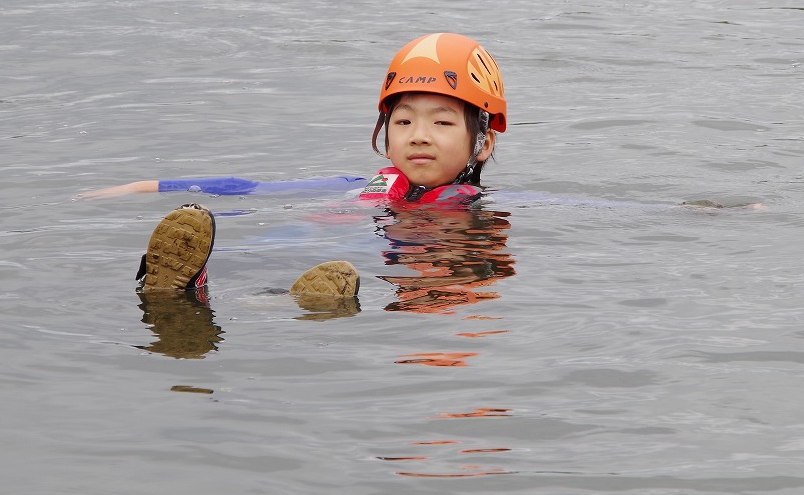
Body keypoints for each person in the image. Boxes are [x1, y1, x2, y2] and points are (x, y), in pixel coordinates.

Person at [81, 33, 509, 301]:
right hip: (298, 245)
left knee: (335, 274)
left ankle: (291, 298)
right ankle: (182, 280)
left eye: (441, 121)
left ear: (483, 143)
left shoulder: (473, 210)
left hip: (372, 267)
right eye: (403, 120)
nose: (418, 134)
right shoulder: (357, 184)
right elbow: (252, 189)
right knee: (249, 251)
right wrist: (149, 185)